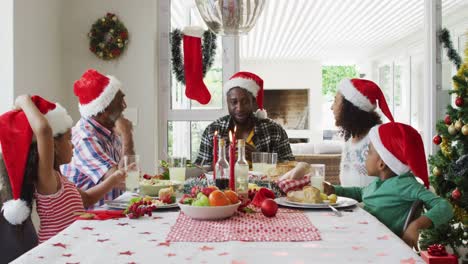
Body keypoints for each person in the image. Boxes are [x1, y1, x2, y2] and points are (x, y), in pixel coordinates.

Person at [0, 95, 126, 245]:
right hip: (56, 251)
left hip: (73, 245)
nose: (73, 145)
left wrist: (114, 178)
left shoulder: (61, 179)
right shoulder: (47, 181)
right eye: (68, 139)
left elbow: (87, 199)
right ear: (54, 146)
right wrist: (23, 100)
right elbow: (44, 130)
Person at [323, 122, 453, 248]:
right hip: (362, 235)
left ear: (381, 164)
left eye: (368, 152)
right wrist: (333, 189)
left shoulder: (406, 185)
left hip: (377, 246)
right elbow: (360, 193)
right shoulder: (380, 183)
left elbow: (444, 206)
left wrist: (416, 225)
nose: (365, 157)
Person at [61, 69, 134, 207]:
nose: (124, 106)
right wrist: (127, 135)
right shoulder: (85, 139)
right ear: (104, 111)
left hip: (111, 214)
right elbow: (123, 180)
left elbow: (129, 176)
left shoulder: (108, 130)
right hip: (88, 220)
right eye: (120, 102)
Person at [195, 71, 294, 166]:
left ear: (253, 101)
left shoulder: (274, 130)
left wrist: (258, 158)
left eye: (245, 101)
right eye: (234, 102)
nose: (240, 108)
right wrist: (222, 159)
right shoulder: (212, 131)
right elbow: (200, 170)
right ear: (227, 102)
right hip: (223, 183)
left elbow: (290, 166)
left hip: (263, 183)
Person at [331, 78, 394, 187]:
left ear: (349, 107)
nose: (332, 107)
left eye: (336, 101)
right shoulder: (350, 140)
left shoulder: (379, 138)